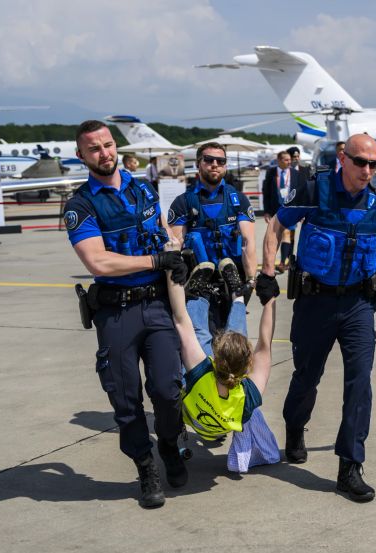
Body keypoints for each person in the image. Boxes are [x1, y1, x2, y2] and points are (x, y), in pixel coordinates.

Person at [257, 133, 376, 503]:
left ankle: (350, 466)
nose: (368, 170)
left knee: (360, 380)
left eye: (374, 164)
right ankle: (295, 426)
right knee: (306, 376)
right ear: (344, 159)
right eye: (361, 162)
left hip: (359, 303)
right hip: (316, 302)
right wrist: (266, 272)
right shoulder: (316, 190)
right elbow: (277, 225)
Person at [63, 120, 190, 508]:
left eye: (107, 144)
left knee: (169, 390)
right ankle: (145, 464)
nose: (104, 153)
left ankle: (169, 443)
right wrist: (154, 258)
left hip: (156, 305)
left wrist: (178, 252)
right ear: (82, 156)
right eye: (94, 149)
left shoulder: (142, 188)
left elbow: (164, 230)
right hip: (117, 313)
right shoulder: (80, 204)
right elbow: (98, 262)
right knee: (126, 398)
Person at [167, 256, 280, 474]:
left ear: (215, 357)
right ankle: (238, 297)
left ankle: (198, 296)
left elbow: (181, 321)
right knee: (230, 337)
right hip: (218, 424)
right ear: (248, 366)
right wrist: (271, 300)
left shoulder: (201, 372)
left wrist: (173, 275)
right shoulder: (248, 398)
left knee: (199, 334)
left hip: (192, 414)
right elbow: (265, 345)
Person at [169, 142, 257, 341]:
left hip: (231, 284)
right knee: (201, 341)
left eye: (220, 161)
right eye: (209, 160)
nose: (215, 164)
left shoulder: (238, 200)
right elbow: (175, 248)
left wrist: (251, 281)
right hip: (198, 286)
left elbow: (248, 242)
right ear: (199, 164)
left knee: (234, 343)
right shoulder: (184, 202)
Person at [261, 150, 299, 272]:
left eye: (290, 159)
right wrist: (266, 211)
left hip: (291, 209)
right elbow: (266, 193)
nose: (289, 162)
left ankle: (283, 262)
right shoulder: (271, 173)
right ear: (279, 160)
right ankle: (283, 261)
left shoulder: (295, 173)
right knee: (276, 236)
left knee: (287, 234)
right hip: (275, 210)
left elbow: (300, 192)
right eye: (286, 160)